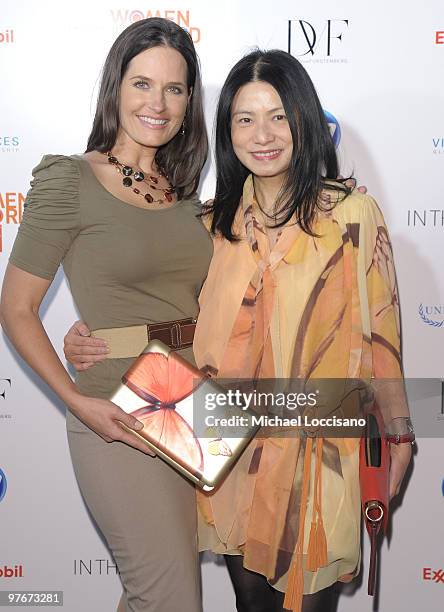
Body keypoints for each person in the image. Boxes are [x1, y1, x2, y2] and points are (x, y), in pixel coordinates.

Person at [62, 49, 413, 612]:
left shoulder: (350, 215)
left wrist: (397, 431)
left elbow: (382, 334)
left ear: (304, 119)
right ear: (228, 132)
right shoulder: (211, 225)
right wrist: (93, 335)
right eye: (244, 119)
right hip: (227, 447)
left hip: (320, 455)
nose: (263, 135)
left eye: (278, 116)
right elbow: (171, 312)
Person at [0, 18, 211, 612]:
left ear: (189, 100)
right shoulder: (70, 180)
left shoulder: (182, 191)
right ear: (115, 87)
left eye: (175, 89)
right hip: (115, 406)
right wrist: (74, 398)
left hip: (189, 401)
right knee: (169, 596)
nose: (158, 103)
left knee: (153, 592)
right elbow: (15, 307)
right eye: (142, 83)